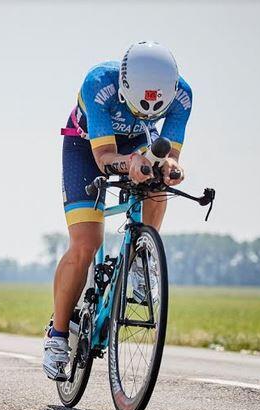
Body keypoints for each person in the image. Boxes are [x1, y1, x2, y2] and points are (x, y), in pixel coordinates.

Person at [43, 41, 193, 380]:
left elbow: (171, 153)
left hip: (139, 143)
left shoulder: (183, 95)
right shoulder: (99, 83)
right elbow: (104, 158)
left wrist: (170, 167)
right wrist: (128, 164)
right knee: (86, 243)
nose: (148, 110)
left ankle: (142, 259)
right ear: (125, 87)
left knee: (159, 180)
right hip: (88, 147)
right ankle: (58, 335)